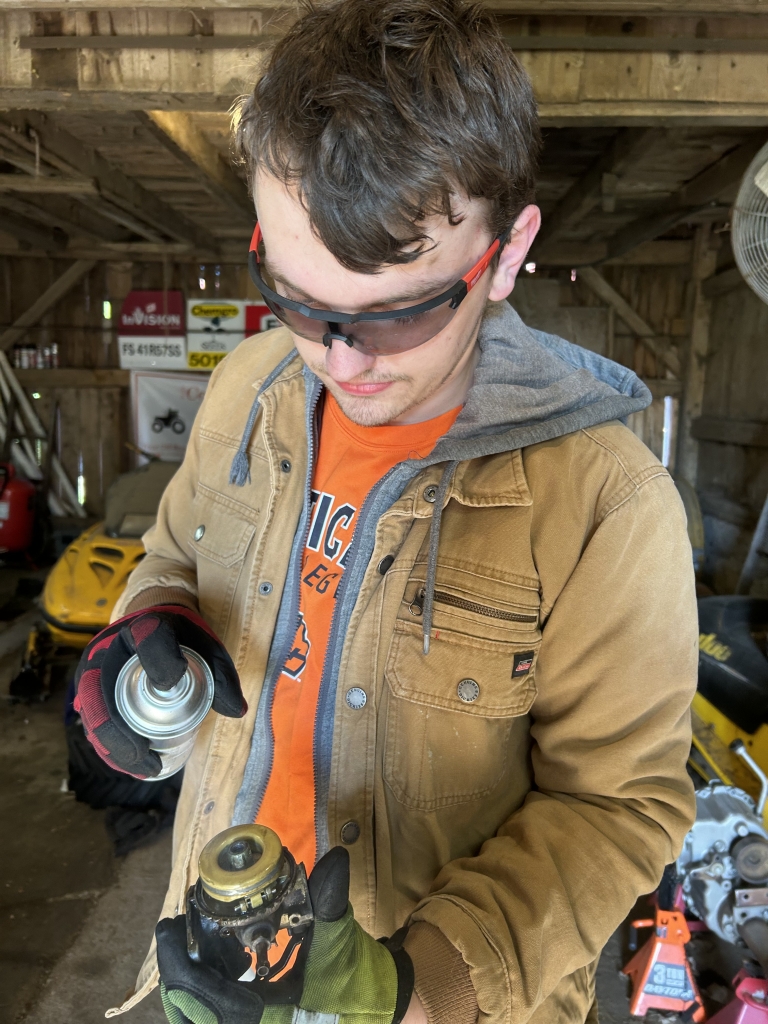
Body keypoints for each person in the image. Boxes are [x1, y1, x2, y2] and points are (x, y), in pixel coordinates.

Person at [74, 2, 698, 1022]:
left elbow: (619, 806)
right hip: (216, 963)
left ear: (506, 251)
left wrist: (413, 984)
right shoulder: (247, 388)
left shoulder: (606, 503)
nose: (340, 357)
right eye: (295, 295)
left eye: (397, 311)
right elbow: (174, 548)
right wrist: (153, 628)